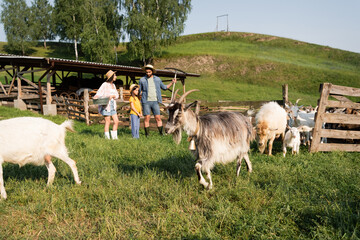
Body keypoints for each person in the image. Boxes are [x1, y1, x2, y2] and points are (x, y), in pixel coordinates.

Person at [139, 64, 176, 136]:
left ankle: (161, 133)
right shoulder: (142, 80)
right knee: (147, 118)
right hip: (146, 101)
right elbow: (139, 90)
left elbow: (164, 87)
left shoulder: (157, 79)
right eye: (147, 72)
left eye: (149, 72)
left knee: (158, 117)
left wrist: (172, 82)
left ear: (152, 71)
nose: (148, 73)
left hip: (155, 101)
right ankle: (147, 134)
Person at [93, 70, 119, 139]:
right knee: (108, 122)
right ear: (111, 77)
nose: (116, 77)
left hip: (113, 105)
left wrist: (113, 96)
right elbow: (99, 92)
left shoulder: (113, 85)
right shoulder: (105, 84)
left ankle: (114, 138)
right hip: (106, 106)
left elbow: (117, 95)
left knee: (116, 121)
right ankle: (107, 138)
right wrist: (96, 97)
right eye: (115, 75)